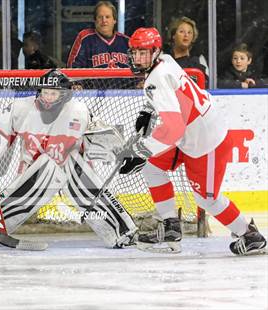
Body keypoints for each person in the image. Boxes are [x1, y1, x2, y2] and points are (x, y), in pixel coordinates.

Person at [119, 27, 266, 255]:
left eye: (143, 52)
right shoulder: (165, 60)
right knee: (152, 167)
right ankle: (170, 226)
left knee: (206, 199)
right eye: (135, 52)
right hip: (190, 133)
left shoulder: (156, 77)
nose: (138, 58)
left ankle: (250, 235)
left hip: (206, 141)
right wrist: (149, 109)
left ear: (155, 51)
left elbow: (173, 128)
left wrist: (141, 151)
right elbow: (174, 98)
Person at [0, 69, 138, 249]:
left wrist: (122, 152)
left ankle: (121, 232)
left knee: (70, 164)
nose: (47, 97)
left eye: (53, 93)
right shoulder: (22, 108)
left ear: (65, 94)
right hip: (35, 172)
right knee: (46, 169)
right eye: (45, 92)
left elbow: (101, 135)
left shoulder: (79, 111)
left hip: (72, 170)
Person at [67, 1, 130, 68]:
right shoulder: (85, 38)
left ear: (114, 20)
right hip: (92, 78)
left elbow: (138, 70)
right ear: (95, 20)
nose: (104, 20)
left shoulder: (126, 41)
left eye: (107, 17)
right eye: (100, 17)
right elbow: (72, 68)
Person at [167, 16, 208, 84]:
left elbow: (206, 88)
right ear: (173, 35)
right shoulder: (164, 60)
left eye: (189, 32)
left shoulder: (199, 61)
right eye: (182, 31)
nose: (186, 35)